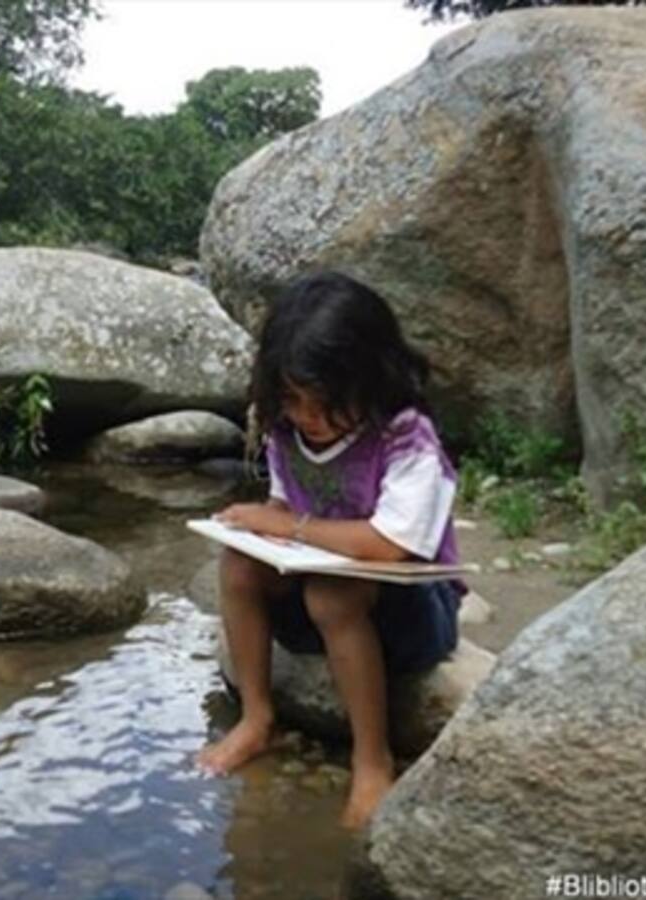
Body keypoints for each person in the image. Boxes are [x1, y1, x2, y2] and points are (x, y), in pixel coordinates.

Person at [196, 271, 465, 830]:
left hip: (411, 617)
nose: (308, 418)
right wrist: (263, 532)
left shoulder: (405, 438)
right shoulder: (284, 431)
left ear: (372, 380)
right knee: (240, 564)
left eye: (325, 403)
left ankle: (372, 760)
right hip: (318, 606)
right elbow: (281, 508)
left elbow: (387, 546)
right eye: (292, 400)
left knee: (332, 589)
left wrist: (288, 524)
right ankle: (257, 717)